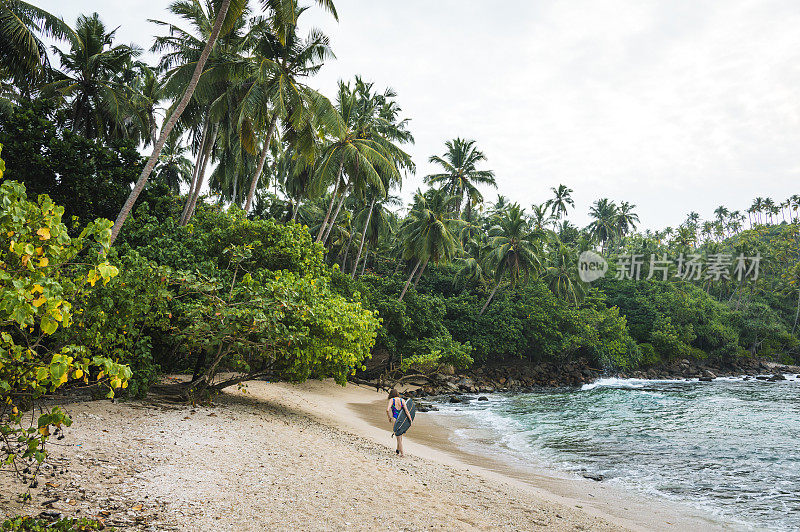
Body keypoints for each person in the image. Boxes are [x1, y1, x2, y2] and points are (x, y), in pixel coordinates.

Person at [386, 389, 412, 457]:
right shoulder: (402, 400)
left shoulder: (392, 400)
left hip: (395, 419)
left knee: (398, 437)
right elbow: (406, 411)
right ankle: (397, 450)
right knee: (399, 435)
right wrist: (410, 420)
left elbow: (387, 410)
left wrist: (389, 418)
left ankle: (402, 453)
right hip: (401, 419)